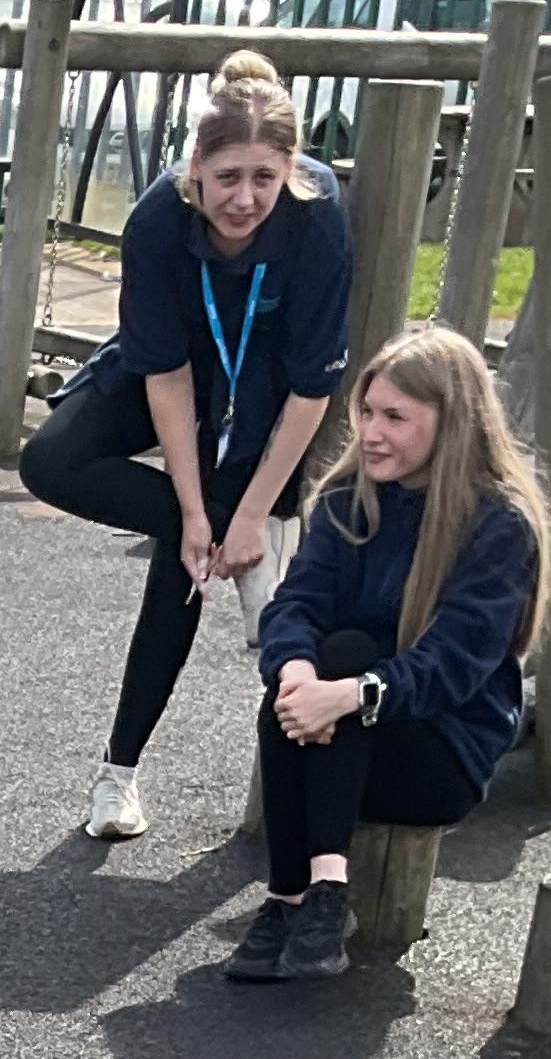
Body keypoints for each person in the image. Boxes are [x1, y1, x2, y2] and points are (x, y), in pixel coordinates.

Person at [20, 51, 353, 843]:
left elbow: (311, 389)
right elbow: (164, 375)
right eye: (228, 177)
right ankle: (189, 531)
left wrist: (253, 514)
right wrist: (195, 511)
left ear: (290, 171)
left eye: (264, 178)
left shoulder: (316, 217)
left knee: (225, 588)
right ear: (195, 165)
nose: (245, 199)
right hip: (172, 378)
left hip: (266, 399)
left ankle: (126, 773)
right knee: (52, 461)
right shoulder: (158, 221)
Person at [224, 321, 551, 983]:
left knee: (346, 664)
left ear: (450, 422)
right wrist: (297, 674)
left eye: (395, 417)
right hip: (339, 735)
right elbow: (296, 604)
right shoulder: (346, 496)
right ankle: (307, 895)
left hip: (438, 751)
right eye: (367, 412)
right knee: (317, 664)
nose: (371, 432)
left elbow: (453, 664)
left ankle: (300, 894)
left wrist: (347, 694)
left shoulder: (498, 524)